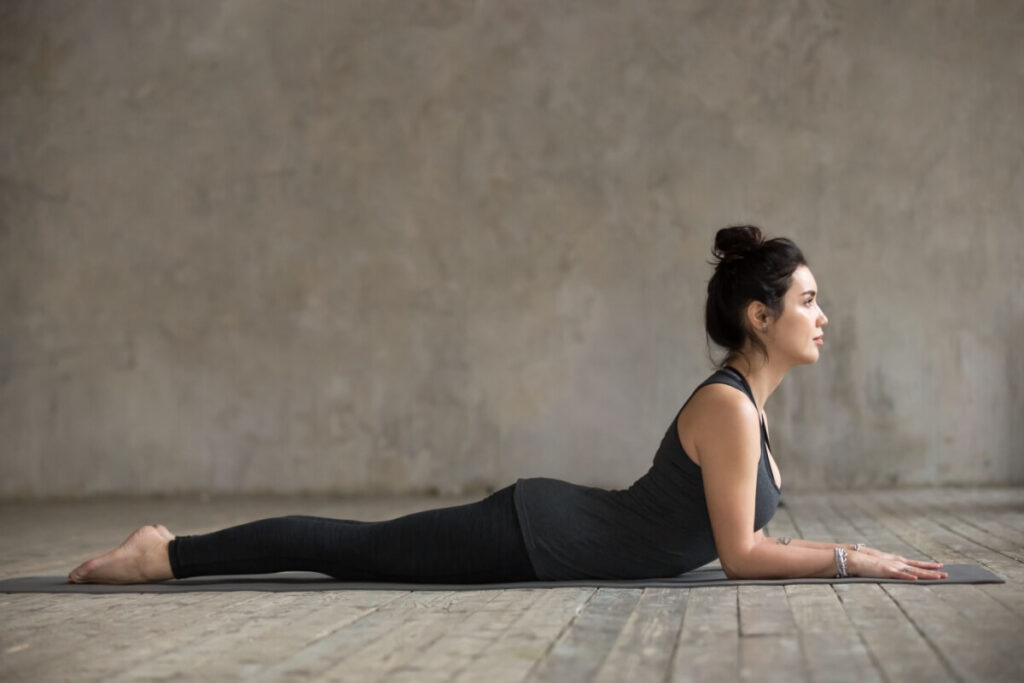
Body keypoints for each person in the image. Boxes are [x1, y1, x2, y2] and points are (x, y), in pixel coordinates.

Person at [68, 226, 947, 584]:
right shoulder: (727, 408)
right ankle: (167, 552)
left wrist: (844, 553)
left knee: (355, 550)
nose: (824, 316)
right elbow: (742, 553)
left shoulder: (748, 409)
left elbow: (735, 542)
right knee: (351, 548)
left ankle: (169, 551)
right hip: (534, 532)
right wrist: (854, 558)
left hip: (553, 530)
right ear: (761, 317)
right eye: (807, 301)